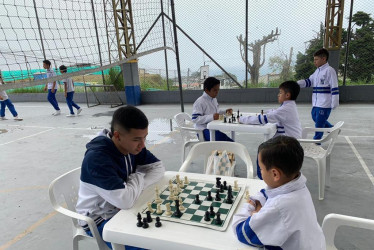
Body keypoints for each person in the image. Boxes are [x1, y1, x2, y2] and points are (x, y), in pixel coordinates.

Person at [76, 106, 165, 249]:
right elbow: (125, 201)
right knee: (155, 244)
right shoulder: (98, 159)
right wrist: (138, 176)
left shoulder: (131, 147)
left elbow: (158, 168)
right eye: (137, 139)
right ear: (117, 136)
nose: (143, 145)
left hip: (122, 209)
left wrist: (133, 185)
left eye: (145, 137)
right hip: (99, 219)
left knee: (164, 232)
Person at [231, 136, 325, 249]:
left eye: (261, 169)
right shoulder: (298, 185)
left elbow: (242, 232)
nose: (260, 172)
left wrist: (250, 206)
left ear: (275, 174)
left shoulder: (279, 206)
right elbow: (267, 193)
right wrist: (260, 209)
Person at [239, 80, 302, 179]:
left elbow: (263, 119)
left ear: (287, 95)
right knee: (265, 146)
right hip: (290, 139)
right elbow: (275, 112)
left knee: (263, 150)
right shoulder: (289, 106)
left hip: (289, 143)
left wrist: (242, 119)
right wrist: (268, 112)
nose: (278, 95)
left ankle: (261, 179)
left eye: (280, 93)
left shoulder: (285, 109)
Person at [297, 48, 339, 140]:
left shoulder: (329, 70)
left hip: (325, 103)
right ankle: (332, 129)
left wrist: (335, 102)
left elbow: (334, 87)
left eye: (316, 59)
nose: (314, 62)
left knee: (319, 123)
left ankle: (317, 141)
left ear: (323, 59)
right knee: (315, 117)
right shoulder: (317, 71)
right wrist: (297, 83)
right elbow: (309, 81)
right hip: (316, 102)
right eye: (314, 59)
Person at [192, 77, 233, 141]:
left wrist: (225, 111)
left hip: (212, 128)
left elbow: (216, 111)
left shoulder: (213, 99)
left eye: (218, 90)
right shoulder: (200, 101)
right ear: (207, 90)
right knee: (225, 140)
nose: (217, 92)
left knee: (225, 139)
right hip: (203, 130)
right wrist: (212, 117)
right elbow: (195, 119)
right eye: (215, 90)